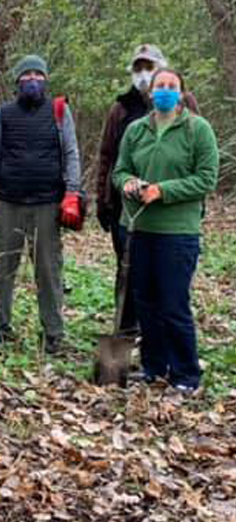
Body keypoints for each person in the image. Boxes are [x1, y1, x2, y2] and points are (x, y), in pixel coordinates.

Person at [112, 68, 218, 393]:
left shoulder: (197, 130)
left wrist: (164, 190)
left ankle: (186, 373)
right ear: (151, 92)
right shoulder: (136, 130)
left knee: (173, 303)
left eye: (172, 86)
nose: (166, 91)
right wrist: (128, 183)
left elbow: (206, 178)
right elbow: (120, 170)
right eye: (160, 86)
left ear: (182, 93)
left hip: (178, 233)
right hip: (141, 228)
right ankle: (154, 368)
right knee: (146, 303)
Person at [0, 55, 82, 354]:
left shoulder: (60, 111)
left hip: (48, 205)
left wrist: (72, 192)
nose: (32, 80)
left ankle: (54, 334)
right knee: (3, 268)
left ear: (46, 80)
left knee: (49, 271)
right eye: (27, 75)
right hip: (8, 203)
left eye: (38, 74)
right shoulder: (4, 114)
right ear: (17, 81)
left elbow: (72, 152)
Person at [95, 44, 199, 334]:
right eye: (138, 68)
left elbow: (200, 166)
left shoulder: (185, 105)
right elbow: (107, 156)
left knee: (167, 282)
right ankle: (126, 333)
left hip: (172, 212)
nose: (144, 75)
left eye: (149, 68)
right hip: (126, 209)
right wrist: (102, 201)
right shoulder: (121, 108)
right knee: (128, 274)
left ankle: (165, 341)